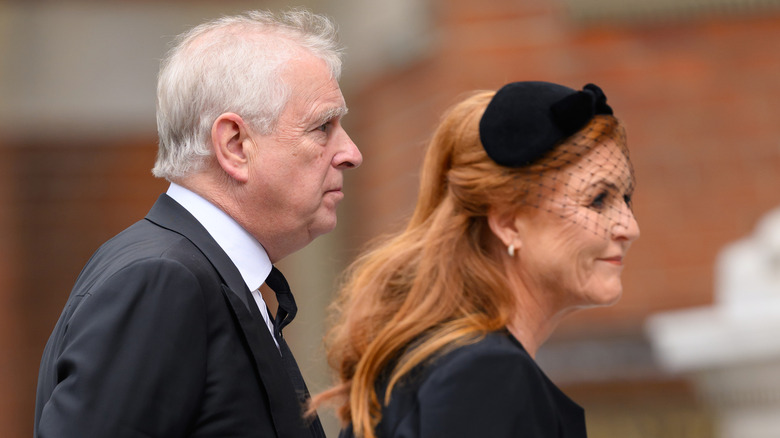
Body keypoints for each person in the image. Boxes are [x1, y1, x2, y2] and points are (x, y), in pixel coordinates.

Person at [34, 9, 361, 438]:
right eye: (322, 127)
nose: (351, 153)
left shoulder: (192, 272)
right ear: (235, 145)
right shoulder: (161, 280)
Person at [312, 81, 640, 438]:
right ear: (509, 224)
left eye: (625, 199)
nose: (630, 227)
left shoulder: (448, 362)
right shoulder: (487, 375)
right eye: (597, 200)